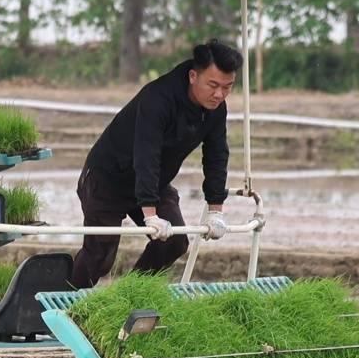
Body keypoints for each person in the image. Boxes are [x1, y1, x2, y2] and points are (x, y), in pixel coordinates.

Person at [68, 40, 247, 288]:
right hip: (107, 177)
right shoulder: (158, 99)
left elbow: (217, 155)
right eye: (213, 85)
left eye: (228, 87)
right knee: (100, 255)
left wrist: (216, 210)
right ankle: (65, 310)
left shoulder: (216, 108)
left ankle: (128, 295)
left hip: (154, 180)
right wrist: (150, 214)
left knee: (174, 241)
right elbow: (146, 153)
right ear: (193, 76)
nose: (219, 94)